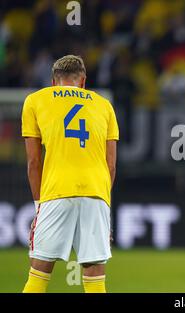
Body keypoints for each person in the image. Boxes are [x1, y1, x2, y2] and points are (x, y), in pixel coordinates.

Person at [21, 55, 119, 293]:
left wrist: (39, 206)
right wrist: (104, 205)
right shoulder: (104, 105)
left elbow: (34, 162)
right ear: (83, 81)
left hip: (56, 191)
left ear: (54, 82)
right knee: (94, 273)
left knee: (39, 272)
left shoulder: (35, 100)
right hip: (96, 192)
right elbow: (111, 164)